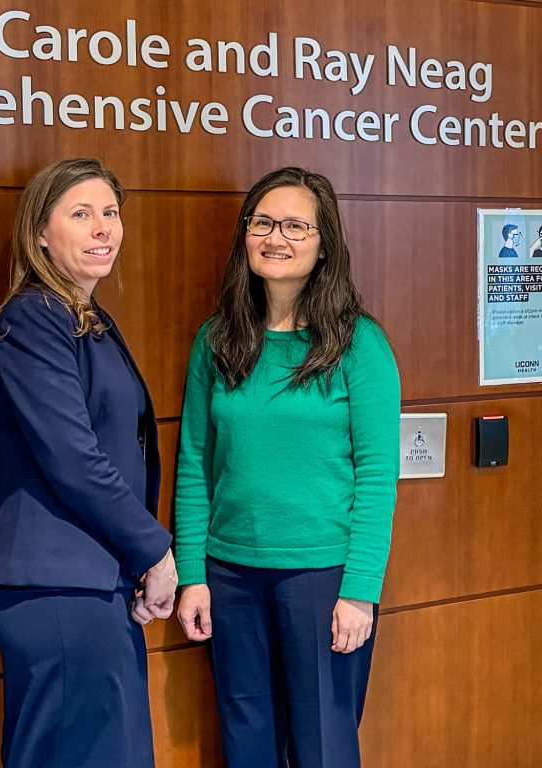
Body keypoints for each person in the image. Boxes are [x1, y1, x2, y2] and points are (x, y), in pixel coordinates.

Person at [174, 167, 400, 768]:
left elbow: (379, 477)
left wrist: (360, 590)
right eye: (264, 222)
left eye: (297, 225)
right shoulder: (216, 340)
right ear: (245, 235)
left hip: (322, 578)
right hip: (230, 577)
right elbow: (195, 462)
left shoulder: (359, 344)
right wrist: (193, 573)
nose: (277, 237)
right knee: (246, 740)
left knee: (322, 744)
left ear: (325, 244)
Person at [0, 157, 177, 768]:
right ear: (39, 231)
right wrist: (154, 551)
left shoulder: (84, 319)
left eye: (110, 213)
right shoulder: (34, 317)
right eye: (81, 214)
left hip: (91, 586)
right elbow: (75, 460)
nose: (102, 229)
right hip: (55, 588)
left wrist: (134, 564)